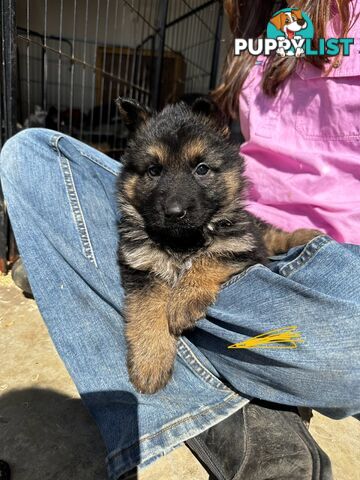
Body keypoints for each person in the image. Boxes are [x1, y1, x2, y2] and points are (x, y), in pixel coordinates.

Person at [0, 1, 359, 479]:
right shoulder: (256, 27)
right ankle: (248, 394)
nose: (173, 201)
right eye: (152, 171)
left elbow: (234, 243)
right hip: (251, 253)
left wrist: (201, 280)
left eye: (201, 168)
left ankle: (227, 392)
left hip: (329, 282)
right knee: (29, 156)